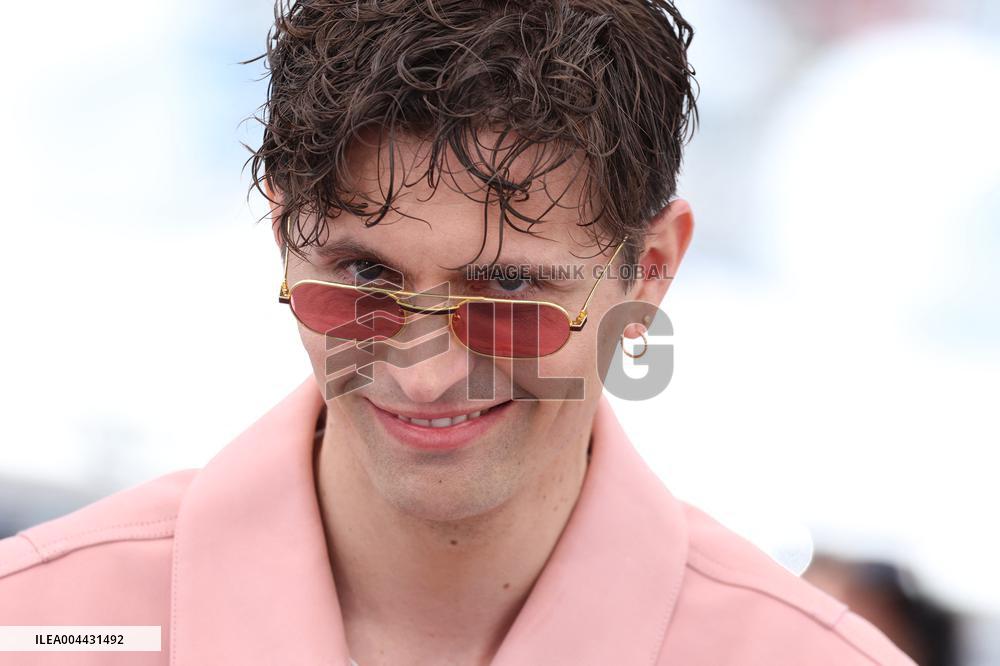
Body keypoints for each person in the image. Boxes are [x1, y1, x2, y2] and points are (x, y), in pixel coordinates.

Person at [0, 1, 915, 664]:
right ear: (283, 236)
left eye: (510, 286)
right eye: (365, 276)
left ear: (650, 271)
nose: (426, 371)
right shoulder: (43, 627)